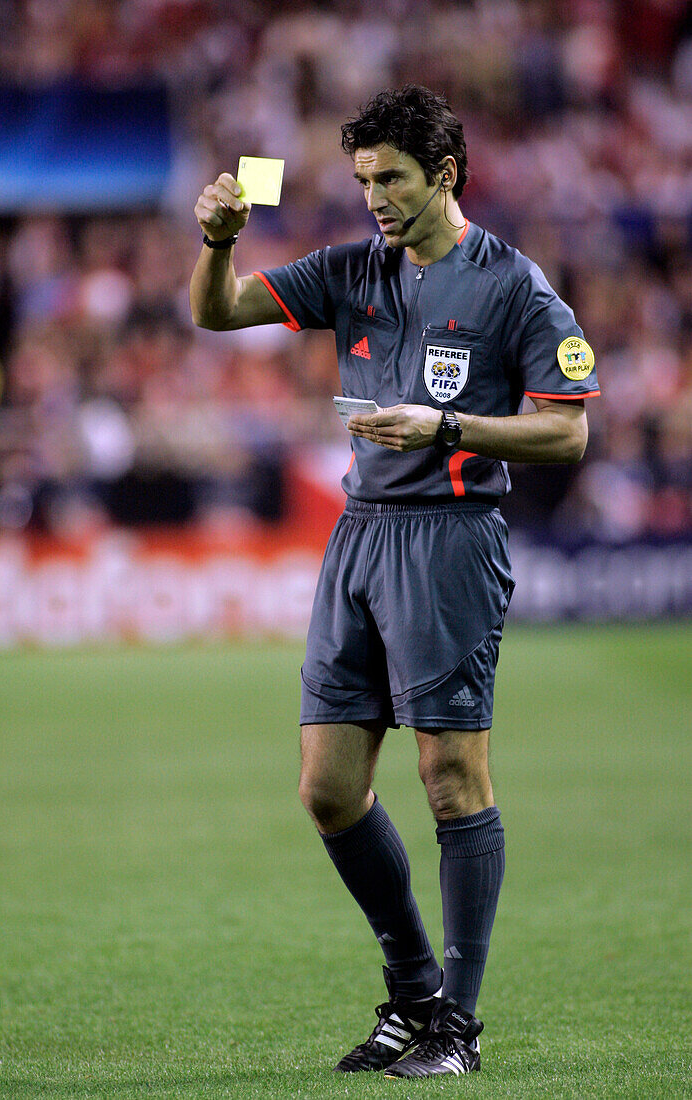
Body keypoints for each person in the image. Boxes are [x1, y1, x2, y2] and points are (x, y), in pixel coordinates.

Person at [189, 85, 599, 1080]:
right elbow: (220, 312)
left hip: (451, 539)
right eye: (363, 177)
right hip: (360, 538)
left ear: (445, 174)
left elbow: (567, 428)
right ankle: (411, 994)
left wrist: (442, 424)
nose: (373, 196)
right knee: (329, 789)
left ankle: (453, 1025)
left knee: (449, 776)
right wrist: (217, 242)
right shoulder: (352, 269)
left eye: (392, 178)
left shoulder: (515, 288)